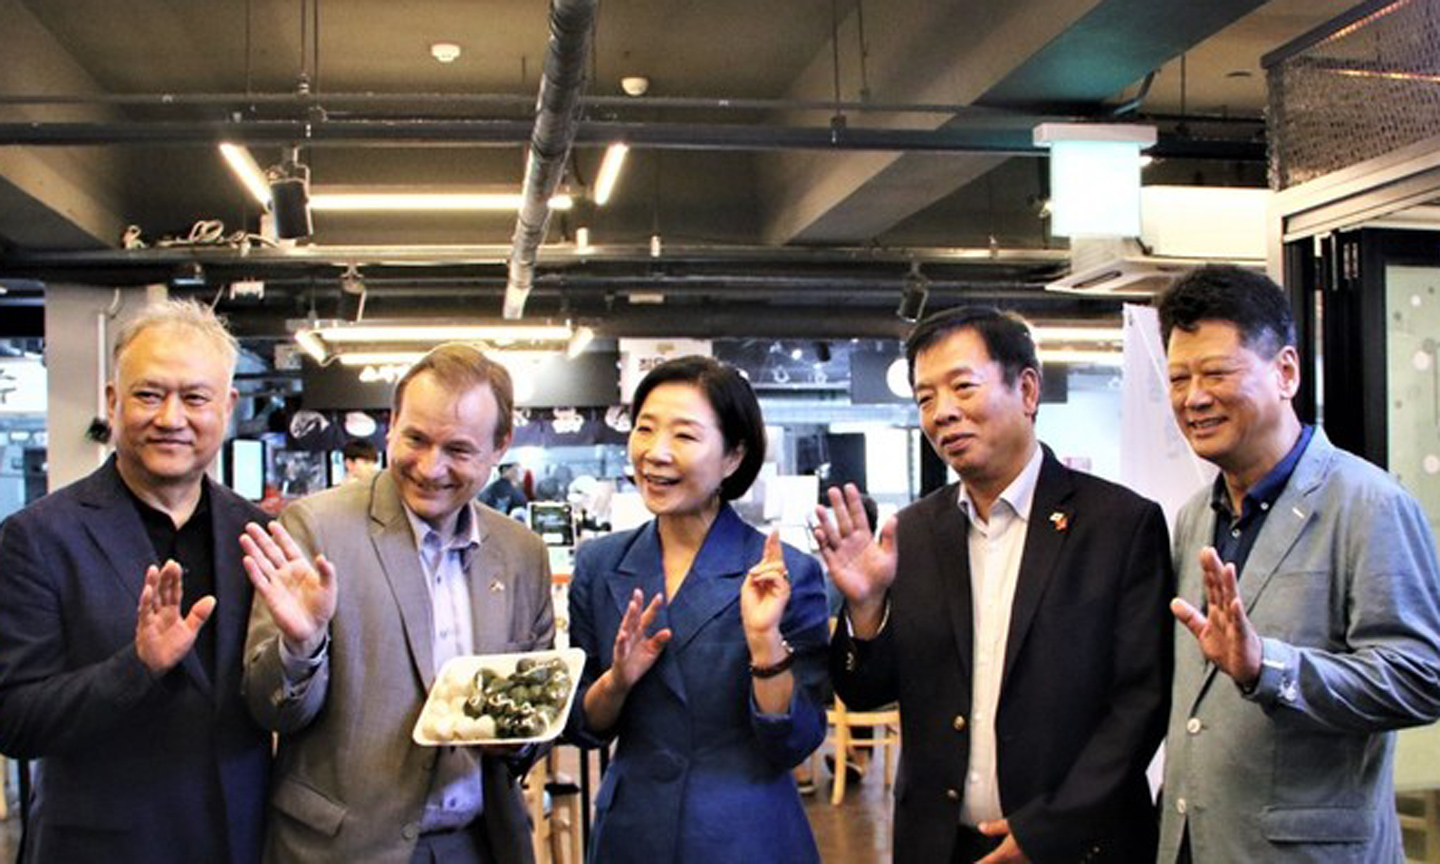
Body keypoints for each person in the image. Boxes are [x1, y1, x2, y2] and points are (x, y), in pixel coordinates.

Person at [815, 306, 1174, 863]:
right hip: (940, 844)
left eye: (963, 387)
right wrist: (865, 608)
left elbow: (1141, 703)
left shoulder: (1120, 525)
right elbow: (867, 693)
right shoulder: (914, 531)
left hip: (1076, 846)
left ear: (1027, 390)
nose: (943, 414)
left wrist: (1047, 831)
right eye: (926, 399)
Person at [1156, 264, 1440, 862]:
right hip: (1195, 844)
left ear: (1285, 371)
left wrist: (1270, 668)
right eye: (1179, 378)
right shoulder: (1195, 515)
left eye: (1216, 373)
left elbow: (1420, 678)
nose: (1194, 397)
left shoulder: (1369, 504)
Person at [241, 343, 554, 863]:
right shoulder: (316, 529)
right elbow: (267, 707)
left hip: (478, 845)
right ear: (390, 425)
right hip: (343, 848)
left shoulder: (522, 555)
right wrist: (301, 647)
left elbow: (538, 713)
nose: (430, 468)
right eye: (415, 439)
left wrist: (519, 740)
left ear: (500, 446)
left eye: (457, 450)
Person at [0, 299, 271, 863]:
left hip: (242, 843)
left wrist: (308, 644)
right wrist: (136, 667)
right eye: (149, 394)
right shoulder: (39, 538)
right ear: (112, 401)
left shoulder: (259, 536)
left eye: (195, 397)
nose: (171, 418)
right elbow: (15, 721)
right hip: (104, 848)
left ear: (228, 406)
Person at [565, 355, 829, 863]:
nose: (655, 453)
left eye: (684, 436)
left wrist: (765, 644)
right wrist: (615, 683)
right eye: (645, 429)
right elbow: (581, 725)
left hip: (743, 835)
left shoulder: (783, 573)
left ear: (733, 456)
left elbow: (794, 742)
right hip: (631, 833)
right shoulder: (600, 565)